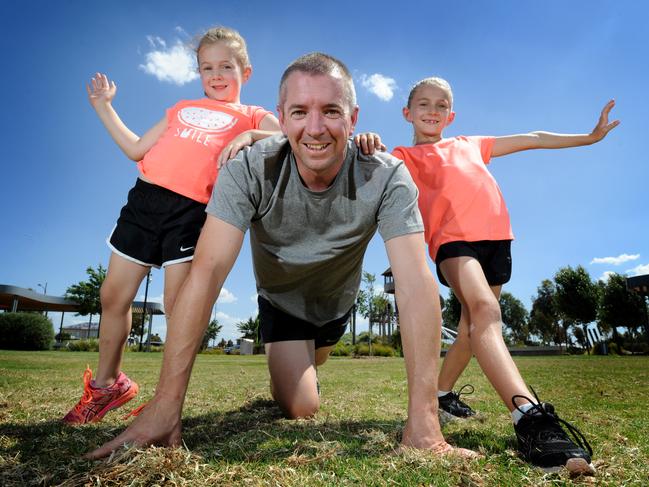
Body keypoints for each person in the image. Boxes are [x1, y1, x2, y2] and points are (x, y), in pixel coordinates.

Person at [85, 53, 479, 460]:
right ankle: (293, 368)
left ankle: (315, 356)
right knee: (301, 406)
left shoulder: (386, 173)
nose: (314, 128)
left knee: (318, 355)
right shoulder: (250, 169)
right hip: (282, 305)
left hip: (336, 305)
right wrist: (163, 409)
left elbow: (415, 282)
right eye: (299, 111)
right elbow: (206, 272)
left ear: (354, 116)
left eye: (330, 111)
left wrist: (425, 423)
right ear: (280, 116)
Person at [390, 76, 618, 474]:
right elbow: (368, 165)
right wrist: (365, 141)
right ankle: (529, 418)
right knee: (485, 311)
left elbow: (534, 137)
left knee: (471, 329)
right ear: (407, 113)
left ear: (451, 115)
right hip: (452, 242)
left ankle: (442, 394)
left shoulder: (470, 144)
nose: (432, 111)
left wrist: (589, 138)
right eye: (423, 104)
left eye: (441, 105)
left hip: (497, 240)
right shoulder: (402, 157)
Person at [62, 26, 280, 424]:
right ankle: (108, 385)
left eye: (226, 66)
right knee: (113, 296)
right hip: (143, 203)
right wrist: (103, 106)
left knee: (178, 308)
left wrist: (250, 133)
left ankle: (164, 400)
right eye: (206, 67)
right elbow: (135, 149)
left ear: (245, 71)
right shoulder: (180, 107)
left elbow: (282, 135)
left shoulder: (252, 114)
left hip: (192, 213)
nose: (216, 75)